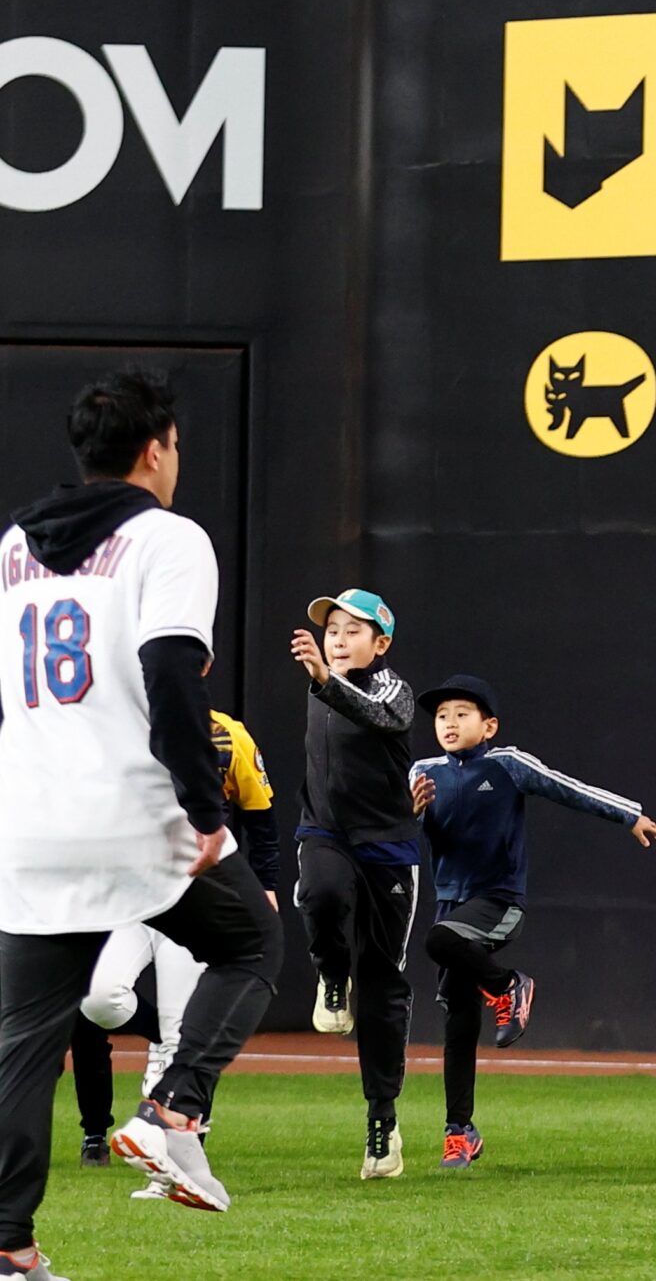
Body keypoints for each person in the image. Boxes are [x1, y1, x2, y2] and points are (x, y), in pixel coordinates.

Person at [0, 369, 282, 1274]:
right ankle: (173, 1109)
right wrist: (205, 805)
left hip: (31, 821)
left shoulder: (14, 544)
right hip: (130, 811)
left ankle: (9, 1247)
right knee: (254, 941)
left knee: (22, 1046)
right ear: (156, 449)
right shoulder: (168, 536)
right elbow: (170, 671)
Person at [408, 674, 656, 1168]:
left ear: (489, 726)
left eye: (462, 713)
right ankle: (460, 1132)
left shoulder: (508, 764)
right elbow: (398, 828)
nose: (449, 722)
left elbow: (568, 789)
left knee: (438, 941)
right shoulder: (423, 771)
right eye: (441, 716)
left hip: (499, 901)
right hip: (452, 905)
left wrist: (628, 815)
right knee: (458, 1018)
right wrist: (406, 814)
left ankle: (509, 986)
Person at [74, 706, 280, 1179]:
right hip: (134, 893)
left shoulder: (226, 734)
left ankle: (178, 1157)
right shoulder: (121, 723)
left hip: (195, 892)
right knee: (97, 996)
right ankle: (163, 1044)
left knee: (182, 1030)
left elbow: (260, 814)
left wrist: (266, 883)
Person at [290, 586, 420, 1177]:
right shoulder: (320, 685)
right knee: (320, 893)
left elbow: (384, 715)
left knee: (384, 989)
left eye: (352, 630)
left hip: (388, 848)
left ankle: (382, 1123)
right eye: (332, 630)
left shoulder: (392, 688)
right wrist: (323, 680)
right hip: (326, 833)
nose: (338, 639)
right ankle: (330, 973)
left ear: (380, 643)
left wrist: (325, 679)